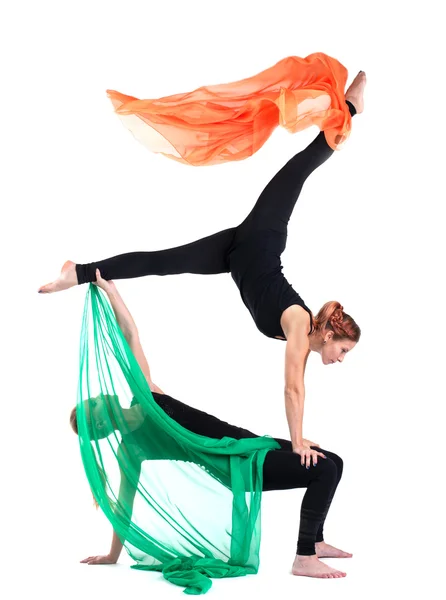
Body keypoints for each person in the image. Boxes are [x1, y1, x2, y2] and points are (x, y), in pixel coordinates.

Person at [40, 72, 366, 469]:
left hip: (236, 256)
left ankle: (81, 271)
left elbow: (296, 384)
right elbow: (293, 387)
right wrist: (297, 442)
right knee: (298, 170)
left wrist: (297, 440)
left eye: (344, 353)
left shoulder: (299, 333)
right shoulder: (299, 324)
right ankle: (349, 108)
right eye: (343, 350)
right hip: (260, 243)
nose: (341, 358)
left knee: (161, 262)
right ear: (328, 333)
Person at [72, 270, 353, 579]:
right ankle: (304, 557)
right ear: (103, 425)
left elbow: (130, 334)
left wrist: (110, 290)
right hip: (235, 465)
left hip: (247, 443)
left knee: (334, 462)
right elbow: (123, 507)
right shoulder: (131, 448)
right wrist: (112, 555)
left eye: (93, 400)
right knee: (324, 470)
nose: (100, 398)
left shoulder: (146, 396)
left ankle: (317, 540)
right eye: (96, 413)